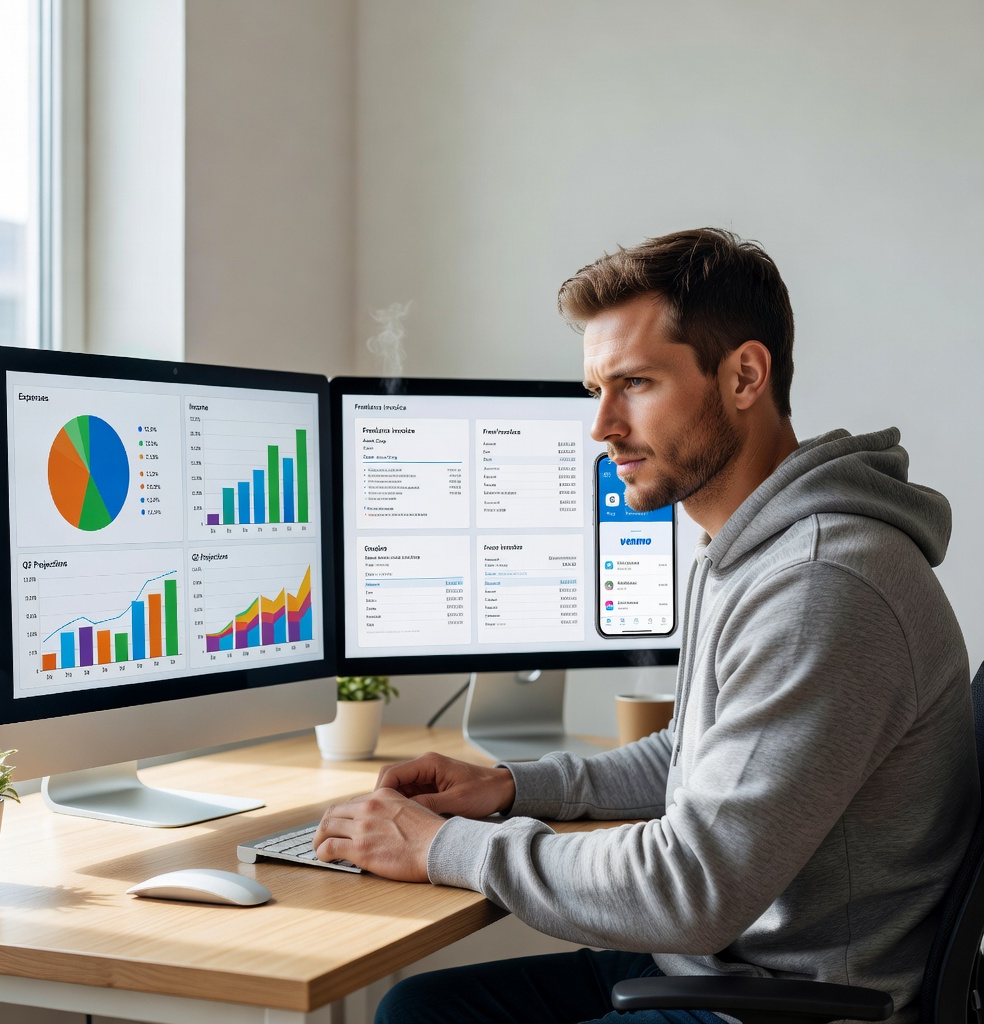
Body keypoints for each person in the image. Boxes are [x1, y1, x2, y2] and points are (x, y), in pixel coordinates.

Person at [313, 228, 978, 1024]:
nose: (601, 427)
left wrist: (441, 848)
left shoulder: (820, 581)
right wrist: (515, 787)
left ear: (744, 375)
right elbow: (694, 756)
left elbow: (694, 885)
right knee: (421, 1008)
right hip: (731, 968)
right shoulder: (752, 550)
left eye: (633, 383)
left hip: (792, 1005)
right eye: (597, 389)